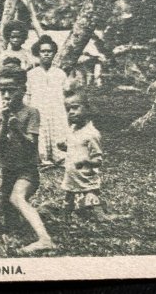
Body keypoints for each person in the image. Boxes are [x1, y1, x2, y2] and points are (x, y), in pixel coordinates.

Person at [0, 64, 54, 253]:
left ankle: (45, 239)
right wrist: (3, 124)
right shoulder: (1, 114)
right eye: (2, 90)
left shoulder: (31, 112)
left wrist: (17, 128)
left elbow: (31, 145)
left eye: (11, 90)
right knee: (10, 221)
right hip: (8, 171)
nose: (6, 95)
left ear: (23, 90)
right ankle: (41, 213)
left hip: (27, 170)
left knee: (17, 198)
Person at [58, 88, 114, 221]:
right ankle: (66, 219)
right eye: (68, 109)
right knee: (68, 199)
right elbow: (75, 148)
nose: (71, 112)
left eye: (75, 108)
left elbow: (98, 159)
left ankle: (103, 216)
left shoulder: (92, 134)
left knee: (92, 200)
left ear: (87, 109)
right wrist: (64, 146)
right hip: (72, 176)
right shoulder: (72, 129)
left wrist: (86, 162)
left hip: (85, 177)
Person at [28, 35, 68, 167]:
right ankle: (43, 158)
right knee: (40, 132)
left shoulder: (60, 74)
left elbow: (66, 93)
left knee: (59, 130)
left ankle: (60, 157)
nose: (46, 54)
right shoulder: (32, 74)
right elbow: (28, 95)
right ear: (38, 53)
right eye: (43, 51)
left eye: (49, 51)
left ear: (54, 53)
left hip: (56, 109)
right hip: (38, 109)